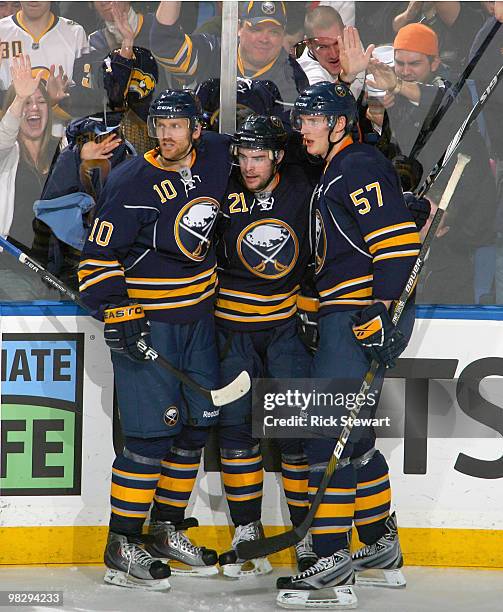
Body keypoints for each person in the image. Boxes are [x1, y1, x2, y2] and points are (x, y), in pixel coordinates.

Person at [78, 89, 233, 589]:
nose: (167, 135)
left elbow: (277, 156)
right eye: (160, 125)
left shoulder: (217, 156)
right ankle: (122, 544)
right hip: (153, 326)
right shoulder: (130, 182)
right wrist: (118, 310)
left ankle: (165, 530)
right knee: (149, 439)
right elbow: (96, 261)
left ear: (196, 129)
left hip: (200, 324)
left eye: (176, 125)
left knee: (194, 429)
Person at [275, 81, 421, 609]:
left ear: (339, 124)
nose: (303, 128)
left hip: (359, 318)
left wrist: (379, 311)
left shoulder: (355, 164)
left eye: (313, 120)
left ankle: (331, 566)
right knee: (353, 440)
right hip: (346, 315)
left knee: (325, 439)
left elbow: (397, 245)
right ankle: (381, 550)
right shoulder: (340, 168)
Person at [214, 114, 319, 577]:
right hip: (231, 332)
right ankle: (246, 528)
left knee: (296, 435)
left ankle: (306, 533)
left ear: (278, 155)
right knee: (238, 433)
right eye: (243, 156)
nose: (249, 166)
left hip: (284, 331)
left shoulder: (304, 183)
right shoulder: (219, 184)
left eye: (259, 157)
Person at [367, 22, 496, 304]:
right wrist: (379, 118)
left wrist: (399, 87)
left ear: (435, 62)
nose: (404, 70)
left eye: (414, 63)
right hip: (412, 224)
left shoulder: (454, 89)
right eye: (399, 63)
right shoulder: (395, 100)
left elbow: (448, 109)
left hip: (461, 231)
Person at [149, 0, 309, 104]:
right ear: (239, 28)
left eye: (274, 32)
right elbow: (165, 44)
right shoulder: (213, 53)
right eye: (256, 29)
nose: (264, 38)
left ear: (283, 35)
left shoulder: (293, 78)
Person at [0, 53, 60, 300]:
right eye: (26, 103)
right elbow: (4, 136)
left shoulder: (63, 150)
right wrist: (20, 96)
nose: (34, 108)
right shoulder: (7, 152)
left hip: (57, 273)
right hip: (11, 269)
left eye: (41, 102)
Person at [0, 2, 88, 91]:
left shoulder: (75, 32)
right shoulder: (1, 30)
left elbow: (86, 92)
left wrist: (60, 99)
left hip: (64, 105)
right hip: (8, 104)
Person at [297, 6, 372, 97]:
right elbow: (323, 105)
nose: (333, 54)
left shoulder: (352, 43)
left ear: (345, 32)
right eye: (323, 47)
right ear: (309, 44)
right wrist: (346, 78)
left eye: (337, 43)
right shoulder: (307, 72)